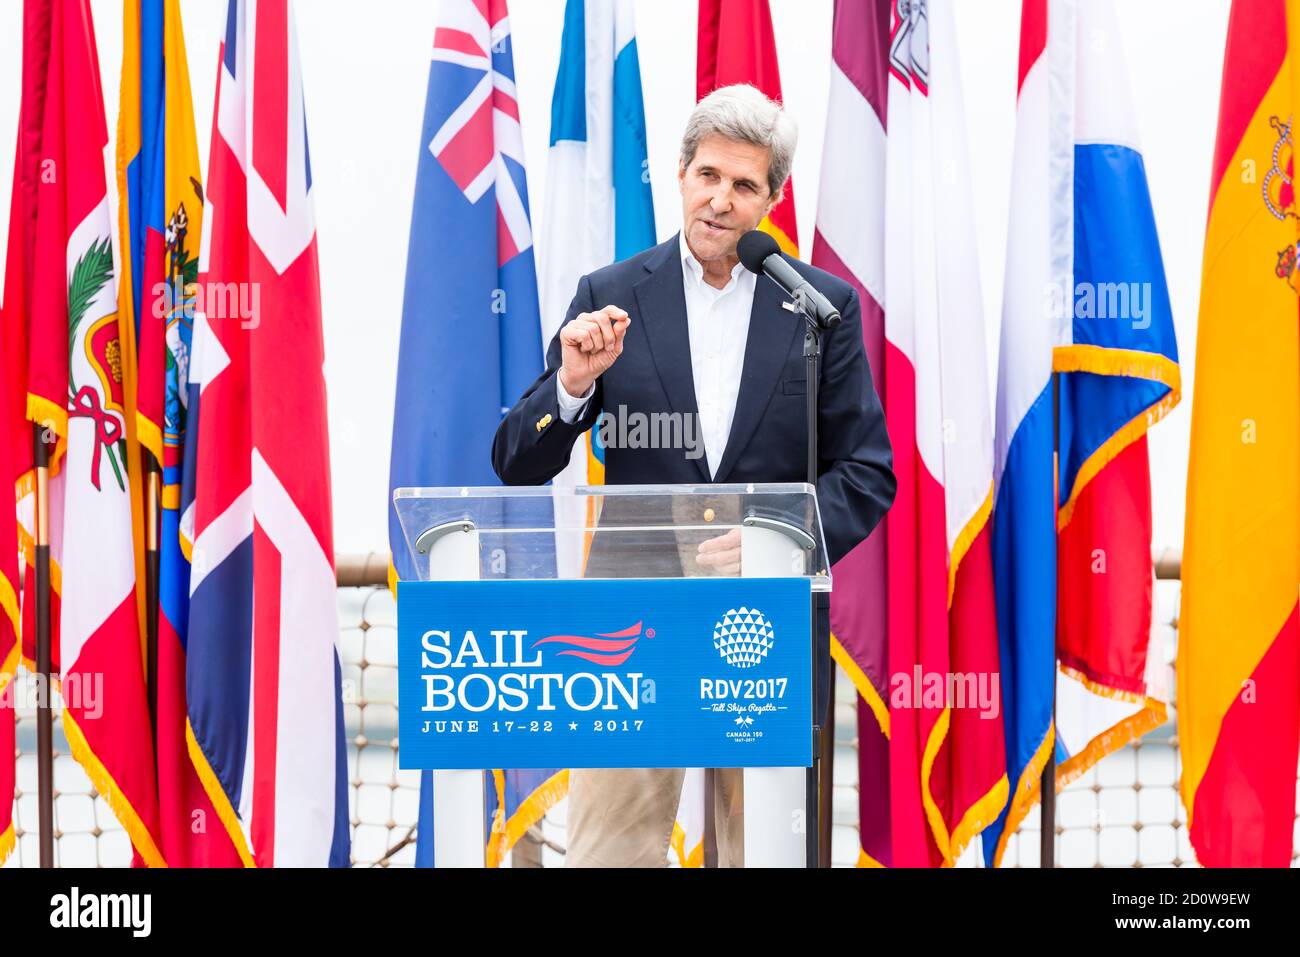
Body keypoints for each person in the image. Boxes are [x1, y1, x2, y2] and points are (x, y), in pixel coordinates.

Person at [492, 83, 894, 867]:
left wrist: (780, 538)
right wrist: (573, 384)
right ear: (681, 173)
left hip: (766, 622)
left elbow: (868, 472)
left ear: (771, 198)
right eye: (708, 174)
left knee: (764, 851)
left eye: (744, 185)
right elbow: (515, 457)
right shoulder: (609, 297)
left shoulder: (818, 307)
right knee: (611, 852)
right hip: (627, 625)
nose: (720, 199)